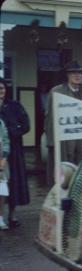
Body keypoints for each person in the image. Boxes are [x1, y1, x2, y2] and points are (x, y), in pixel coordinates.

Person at [45, 60, 82, 185]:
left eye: (80, 73)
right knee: (64, 169)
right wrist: (51, 141)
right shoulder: (57, 91)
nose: (77, 76)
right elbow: (50, 117)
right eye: (73, 73)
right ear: (67, 75)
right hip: (64, 138)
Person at [0, 77, 30, 228]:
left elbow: (26, 125)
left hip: (14, 151)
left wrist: (13, 132)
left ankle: (11, 215)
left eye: (2, 88)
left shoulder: (15, 106)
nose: (0, 92)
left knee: (13, 183)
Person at [0, 117, 10, 230]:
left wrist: (4, 158)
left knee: (1, 191)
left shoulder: (1, 123)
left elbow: (6, 141)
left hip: (0, 158)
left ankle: (0, 217)